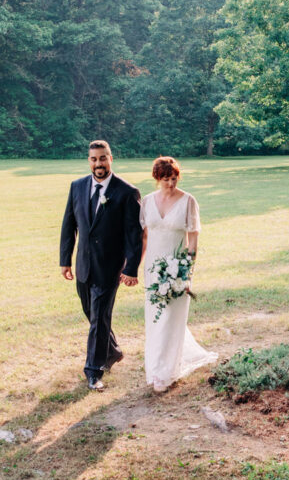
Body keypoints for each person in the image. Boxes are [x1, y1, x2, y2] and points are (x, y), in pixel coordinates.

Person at [60, 140, 143, 391]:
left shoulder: (127, 192)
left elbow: (134, 235)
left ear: (111, 159)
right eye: (94, 159)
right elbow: (69, 225)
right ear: (89, 161)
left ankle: (93, 371)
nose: (99, 163)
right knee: (92, 314)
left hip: (110, 267)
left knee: (99, 318)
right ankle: (113, 351)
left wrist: (130, 268)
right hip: (84, 265)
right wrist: (65, 260)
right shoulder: (77, 186)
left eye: (103, 158)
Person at [140, 156, 217, 393]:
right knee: (155, 319)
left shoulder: (188, 201)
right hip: (152, 269)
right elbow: (144, 238)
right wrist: (134, 267)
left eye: (174, 179)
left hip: (177, 268)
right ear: (157, 178)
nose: (171, 184)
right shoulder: (146, 201)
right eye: (166, 180)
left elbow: (192, 241)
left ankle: (167, 372)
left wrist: (187, 273)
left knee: (172, 319)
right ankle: (154, 369)